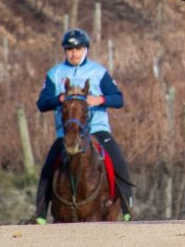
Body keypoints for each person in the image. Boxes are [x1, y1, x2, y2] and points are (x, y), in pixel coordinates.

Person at [32, 29, 133, 223]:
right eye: (69, 49)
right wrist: (59, 99)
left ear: (86, 49)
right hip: (66, 132)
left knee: (118, 161)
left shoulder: (98, 72)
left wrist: (100, 99)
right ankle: (40, 213)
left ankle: (128, 207)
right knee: (48, 167)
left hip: (96, 128)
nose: (74, 53)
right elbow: (42, 103)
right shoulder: (55, 74)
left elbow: (118, 99)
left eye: (78, 48)